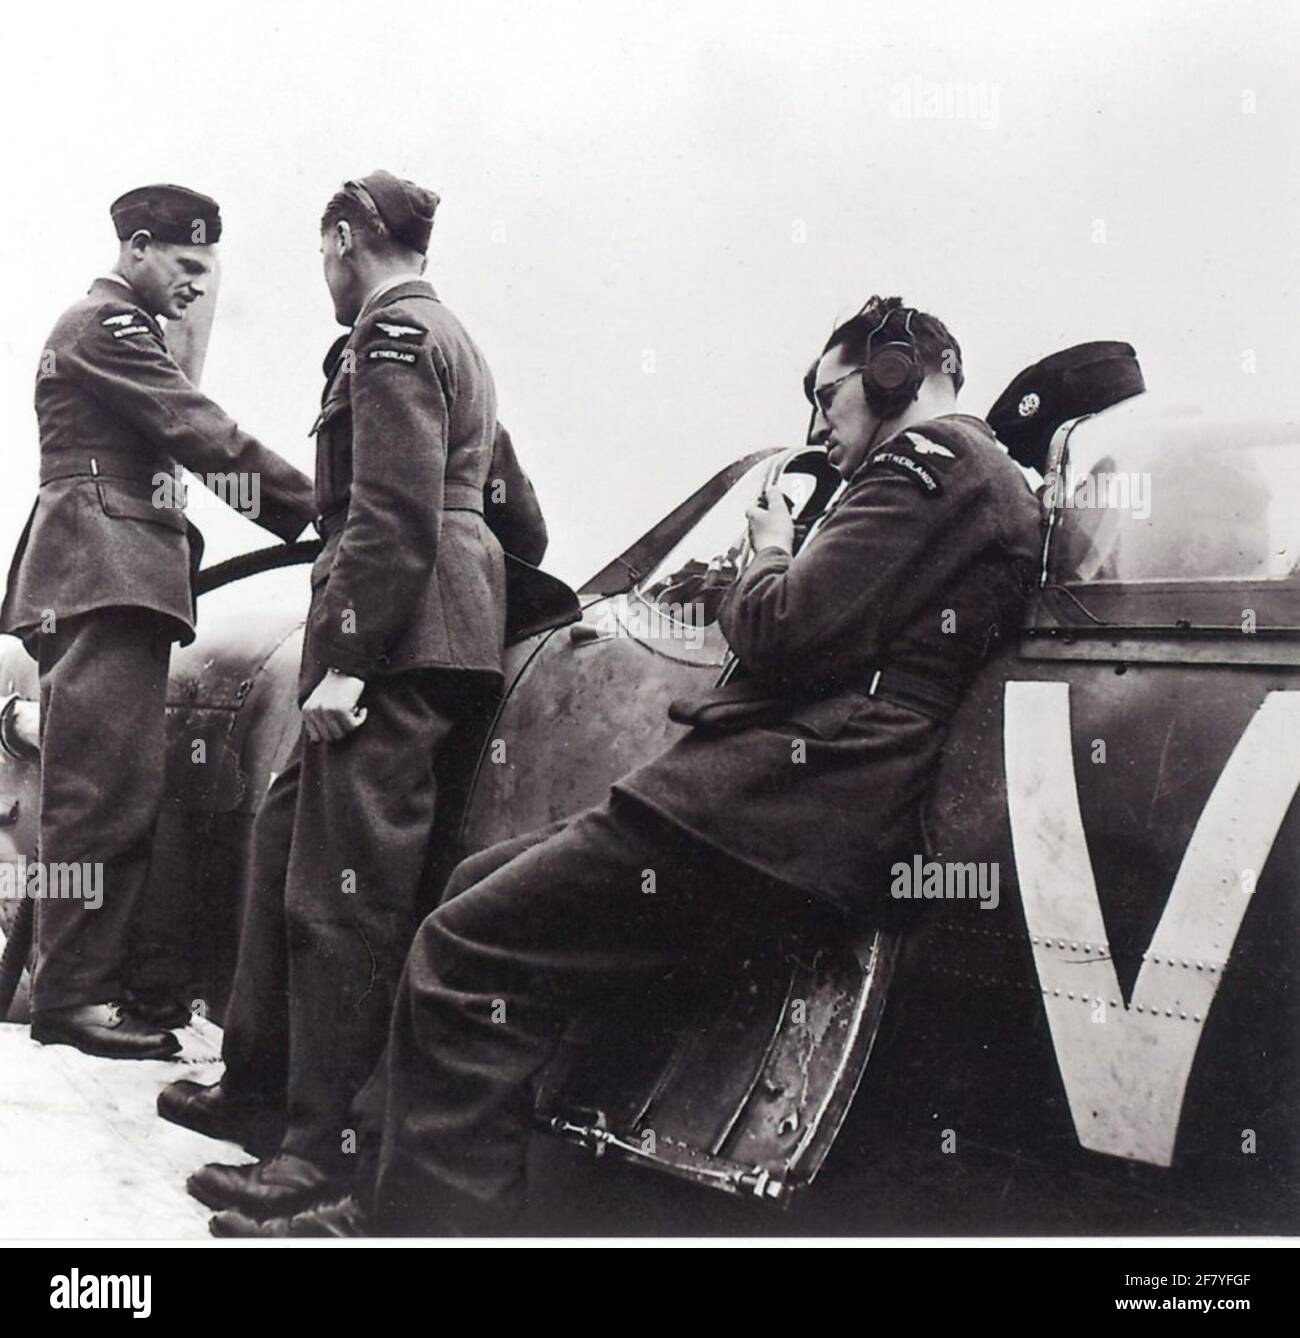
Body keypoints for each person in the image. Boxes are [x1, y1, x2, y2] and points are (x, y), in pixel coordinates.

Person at [209, 294, 1044, 1237]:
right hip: (781, 811)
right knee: (474, 896)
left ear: (892, 370)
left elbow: (778, 628)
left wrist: (768, 555)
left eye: (829, 394)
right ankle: (372, 1203)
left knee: (460, 951)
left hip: (769, 813)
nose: (820, 426)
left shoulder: (928, 462)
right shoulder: (976, 482)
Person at [161, 172, 546, 1217]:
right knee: (287, 849)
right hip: (430, 632)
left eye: (322, 252)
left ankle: (319, 1153)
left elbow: (388, 519)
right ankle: (258, 1092)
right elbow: (524, 525)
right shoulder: (453, 339)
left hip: (393, 645)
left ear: (342, 240)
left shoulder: (388, 341)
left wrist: (351, 663)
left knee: (342, 900)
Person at [0, 184, 315, 1060]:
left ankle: (97, 988)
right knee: (96, 793)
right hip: (102, 574)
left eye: (206, 267)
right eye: (185, 264)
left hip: (118, 574)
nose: (197, 285)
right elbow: (197, 429)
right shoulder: (105, 327)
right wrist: (321, 506)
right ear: (137, 248)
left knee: (122, 789)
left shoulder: (118, 331)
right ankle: (71, 998)